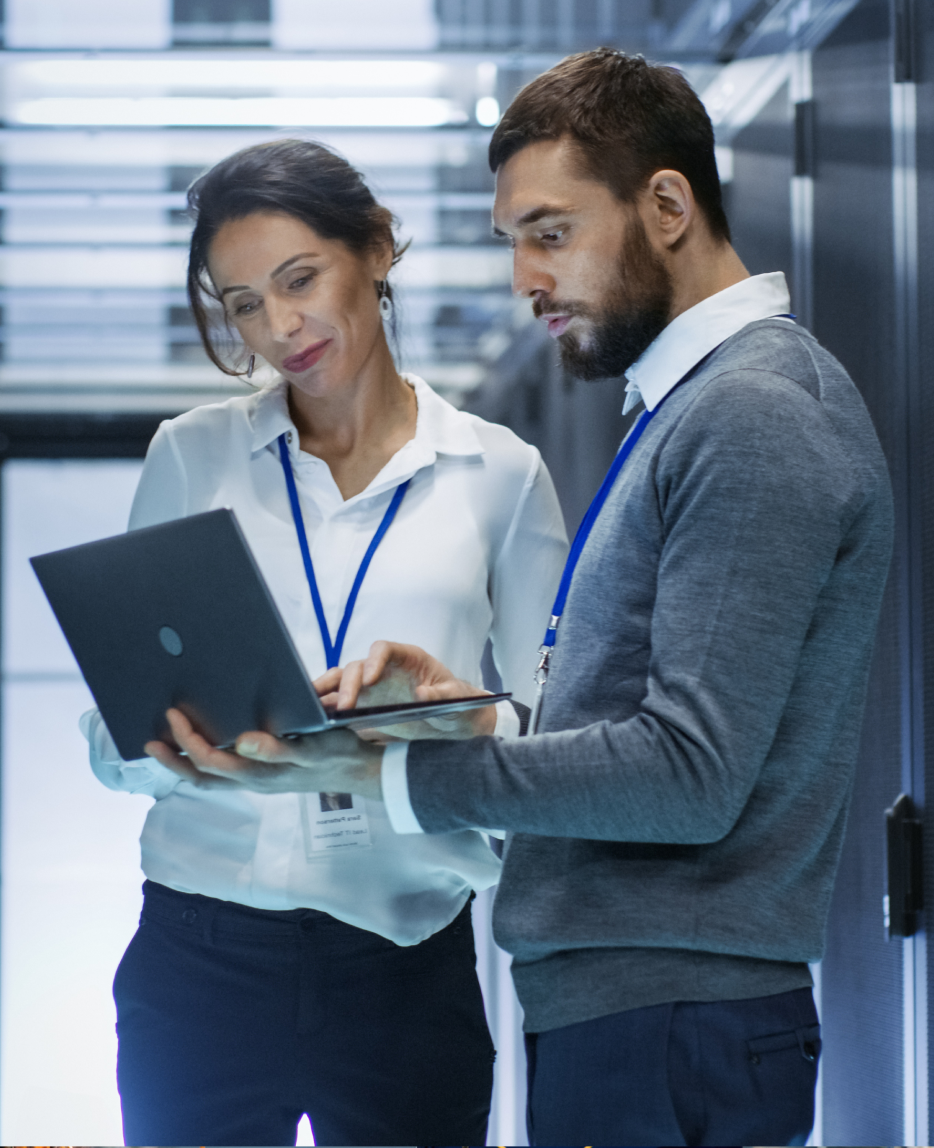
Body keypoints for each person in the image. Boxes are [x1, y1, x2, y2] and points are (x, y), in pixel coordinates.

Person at [156, 52, 895, 1146]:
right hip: (637, 1010)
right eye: (513, 242)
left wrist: (401, 769)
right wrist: (471, 711)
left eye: (550, 233)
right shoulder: (692, 409)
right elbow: (620, 728)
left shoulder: (751, 415)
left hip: (668, 1018)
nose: (524, 279)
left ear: (667, 205)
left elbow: (689, 772)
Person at [82, 138, 568, 1147]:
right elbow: (112, 721)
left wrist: (442, 723)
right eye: (244, 301)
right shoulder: (192, 454)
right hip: (199, 952)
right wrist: (162, 746)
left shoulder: (500, 472)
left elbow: (551, 747)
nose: (279, 326)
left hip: (407, 954)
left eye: (299, 278)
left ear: (379, 247)